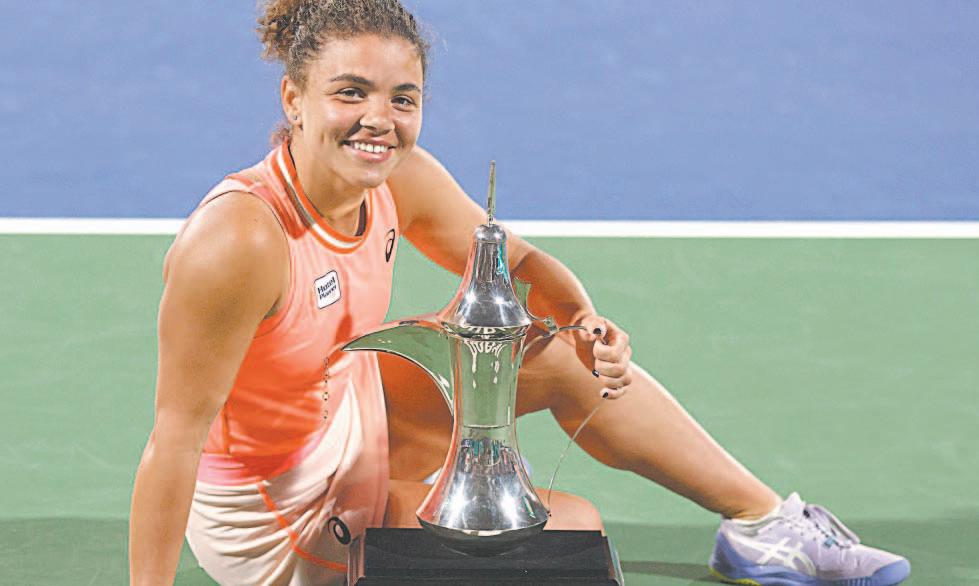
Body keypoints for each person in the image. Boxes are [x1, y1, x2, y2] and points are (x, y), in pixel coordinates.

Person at [128, 1, 911, 585]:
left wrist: (584, 321)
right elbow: (174, 440)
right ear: (293, 99)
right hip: (276, 509)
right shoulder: (242, 241)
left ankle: (762, 526)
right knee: (572, 533)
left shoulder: (399, 178)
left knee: (557, 351)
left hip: (345, 402)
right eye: (350, 93)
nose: (379, 120)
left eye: (402, 98)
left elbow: (517, 260)